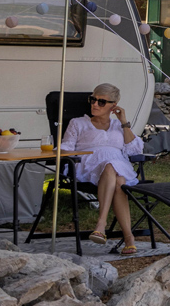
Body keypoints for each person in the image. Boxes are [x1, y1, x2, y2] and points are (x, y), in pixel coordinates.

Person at [62, 82, 144, 254]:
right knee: (113, 173)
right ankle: (124, 236)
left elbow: (135, 150)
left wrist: (124, 122)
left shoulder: (118, 126)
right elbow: (66, 147)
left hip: (118, 164)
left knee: (117, 177)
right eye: (93, 100)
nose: (94, 104)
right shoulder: (78, 123)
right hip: (89, 165)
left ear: (113, 106)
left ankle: (104, 227)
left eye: (101, 102)